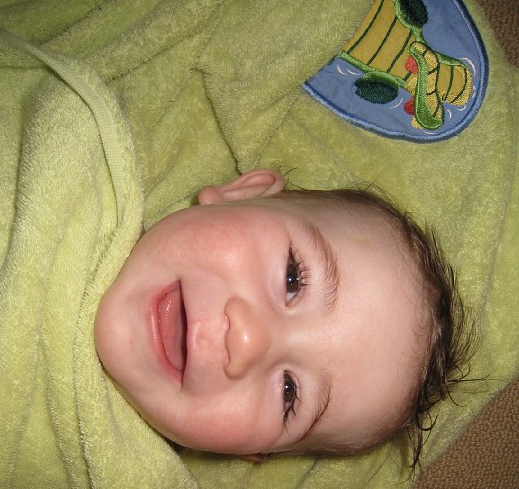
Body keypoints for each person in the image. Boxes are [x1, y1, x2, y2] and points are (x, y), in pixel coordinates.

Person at [94, 168, 471, 466]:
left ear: (247, 452)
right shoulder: (96, 170)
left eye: (289, 393)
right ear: (244, 194)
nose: (247, 341)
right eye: (293, 279)